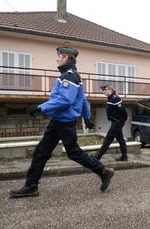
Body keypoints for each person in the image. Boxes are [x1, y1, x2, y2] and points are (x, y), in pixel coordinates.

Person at [9, 47, 114, 198]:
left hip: (63, 122)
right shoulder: (73, 76)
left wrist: (40, 107)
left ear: (65, 57)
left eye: (59, 57)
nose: (57, 59)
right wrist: (87, 117)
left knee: (72, 152)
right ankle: (31, 186)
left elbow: (65, 100)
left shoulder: (69, 76)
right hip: (60, 121)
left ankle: (103, 171)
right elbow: (82, 99)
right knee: (42, 152)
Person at [95, 84, 128, 161]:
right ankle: (124, 156)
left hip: (117, 122)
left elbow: (123, 110)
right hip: (115, 122)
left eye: (105, 90)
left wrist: (124, 119)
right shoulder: (110, 98)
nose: (104, 91)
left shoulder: (115, 98)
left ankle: (97, 157)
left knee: (108, 139)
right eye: (103, 90)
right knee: (120, 139)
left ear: (110, 90)